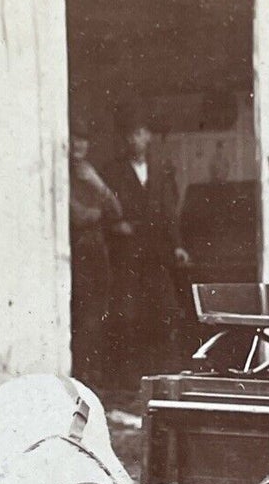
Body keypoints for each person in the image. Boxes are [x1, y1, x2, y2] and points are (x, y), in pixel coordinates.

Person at [99, 109, 192, 384]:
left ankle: (164, 376)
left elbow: (169, 211)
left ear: (147, 136)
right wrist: (116, 227)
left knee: (164, 311)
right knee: (129, 315)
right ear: (125, 139)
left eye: (141, 133)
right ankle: (130, 379)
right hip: (126, 253)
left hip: (157, 252)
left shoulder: (161, 167)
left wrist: (177, 245)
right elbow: (104, 209)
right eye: (132, 135)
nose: (137, 139)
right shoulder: (112, 171)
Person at [68, 123, 127, 387]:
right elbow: (78, 216)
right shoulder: (62, 174)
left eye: (84, 141)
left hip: (96, 251)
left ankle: (94, 376)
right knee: (81, 314)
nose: (79, 146)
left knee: (97, 311)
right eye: (74, 140)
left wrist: (95, 181)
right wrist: (97, 213)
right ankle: (80, 374)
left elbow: (116, 211)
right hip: (77, 251)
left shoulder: (90, 174)